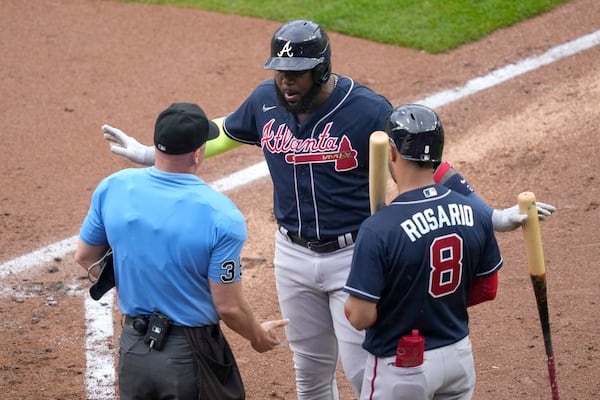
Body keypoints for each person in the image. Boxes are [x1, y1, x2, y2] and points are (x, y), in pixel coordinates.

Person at [100, 20, 555, 399]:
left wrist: (490, 215)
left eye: (296, 73)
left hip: (353, 257)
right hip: (293, 256)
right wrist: (151, 154)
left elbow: (423, 163)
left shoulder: (366, 109)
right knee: (310, 370)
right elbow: (224, 131)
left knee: (361, 371)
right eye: (280, 71)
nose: (286, 81)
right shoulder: (264, 101)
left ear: (321, 69)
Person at [74, 102, 288, 400]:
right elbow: (229, 307)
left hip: (133, 348)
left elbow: (85, 256)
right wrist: (257, 335)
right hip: (190, 354)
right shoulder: (220, 215)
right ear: (198, 152)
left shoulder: (113, 187)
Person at [344, 104, 503, 399]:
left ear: (391, 152)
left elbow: (359, 316)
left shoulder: (379, 229)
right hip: (458, 357)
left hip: (402, 366)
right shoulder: (474, 212)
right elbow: (488, 288)